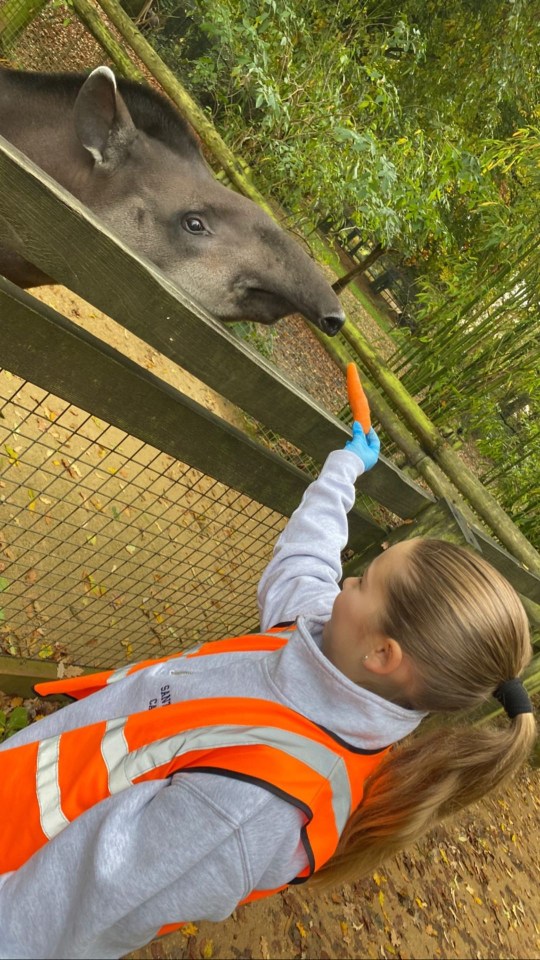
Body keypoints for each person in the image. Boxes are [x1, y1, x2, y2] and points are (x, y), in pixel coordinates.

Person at [0, 423, 535, 959]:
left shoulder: (257, 807)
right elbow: (308, 554)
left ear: (382, 654)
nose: (344, 581)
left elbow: (79, 909)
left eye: (365, 581)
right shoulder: (319, 642)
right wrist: (345, 468)